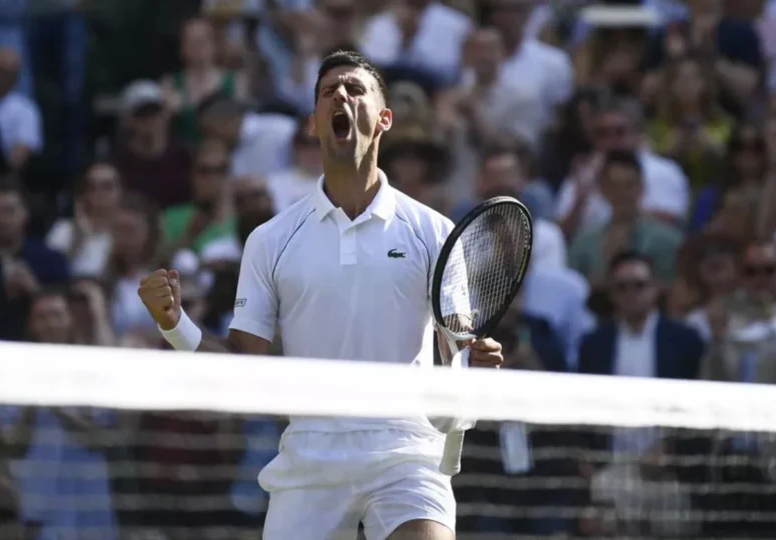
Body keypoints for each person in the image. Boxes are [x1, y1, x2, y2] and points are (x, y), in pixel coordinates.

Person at [138, 49, 504, 540]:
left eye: (356, 89)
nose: (342, 97)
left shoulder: (435, 233)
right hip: (311, 456)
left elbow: (457, 351)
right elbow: (242, 374)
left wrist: (474, 371)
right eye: (330, 91)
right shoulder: (270, 240)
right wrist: (175, 326)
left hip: (406, 450)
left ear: (385, 119)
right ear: (314, 123)